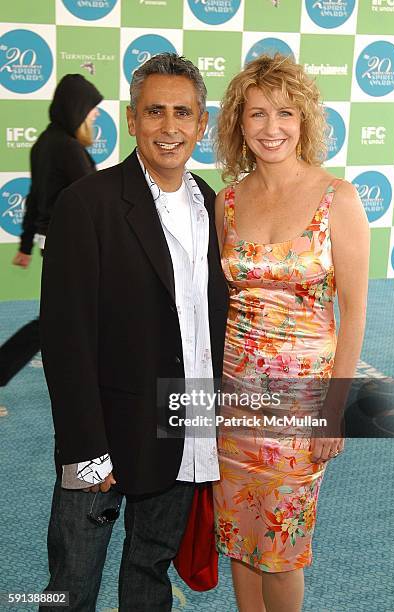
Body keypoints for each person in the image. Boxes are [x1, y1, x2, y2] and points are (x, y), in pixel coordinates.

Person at [39, 53, 228, 611]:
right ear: (130, 118)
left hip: (180, 425)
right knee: (69, 586)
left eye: (182, 113)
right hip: (104, 432)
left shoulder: (213, 207)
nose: (169, 127)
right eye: (154, 112)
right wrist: (88, 452)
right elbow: (66, 341)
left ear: (201, 124)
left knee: (149, 570)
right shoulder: (87, 205)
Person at [212, 54, 369, 612]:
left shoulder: (339, 199)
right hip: (233, 400)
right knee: (238, 537)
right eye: (256, 114)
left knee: (282, 547)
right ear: (239, 122)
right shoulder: (225, 203)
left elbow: (355, 312)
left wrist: (335, 408)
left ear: (304, 120)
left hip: (302, 406)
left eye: (284, 113)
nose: (271, 128)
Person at [0, 74, 102, 389]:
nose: (96, 114)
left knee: (67, 319)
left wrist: (27, 244)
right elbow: (94, 202)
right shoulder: (68, 148)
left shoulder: (45, 142)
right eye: (91, 109)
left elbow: (35, 198)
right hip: (72, 247)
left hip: (56, 243)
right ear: (76, 109)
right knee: (56, 321)